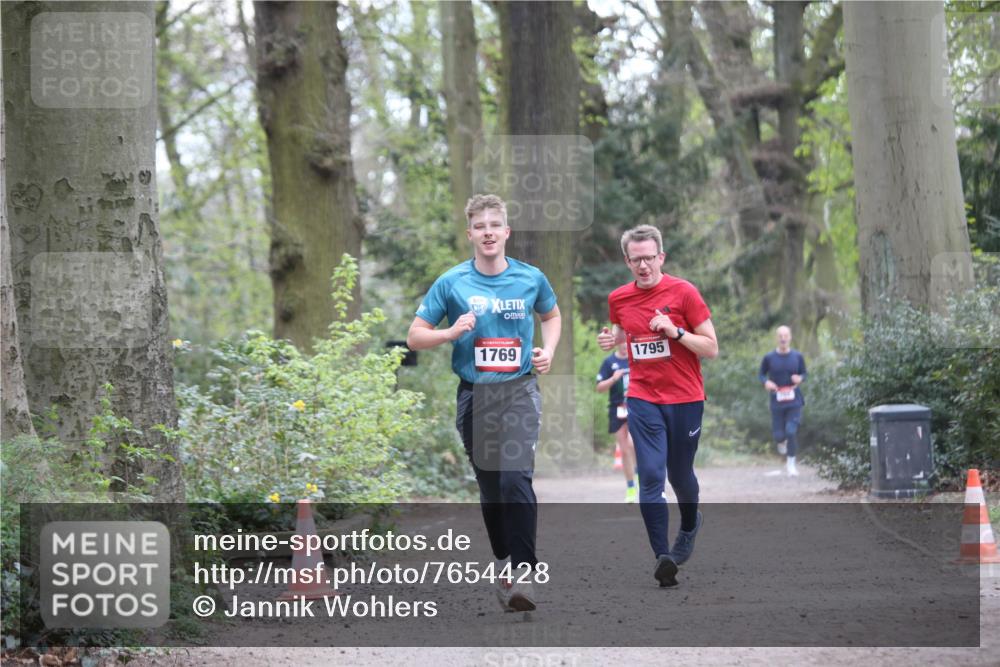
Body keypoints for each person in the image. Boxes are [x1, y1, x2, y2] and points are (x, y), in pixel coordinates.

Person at [406, 194, 560, 612]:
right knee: (492, 489)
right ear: (470, 233)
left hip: (519, 390)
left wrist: (548, 351)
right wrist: (450, 333)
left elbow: (552, 315)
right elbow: (415, 335)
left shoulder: (530, 278)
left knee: (515, 478)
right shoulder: (452, 282)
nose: (488, 232)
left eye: (495, 225)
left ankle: (526, 573)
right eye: (480, 226)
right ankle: (504, 561)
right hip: (475, 396)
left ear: (506, 232)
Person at [597, 224, 718, 587]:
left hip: (685, 398)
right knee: (651, 475)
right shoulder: (618, 298)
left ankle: (691, 521)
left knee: (680, 475)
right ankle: (662, 556)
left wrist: (675, 331)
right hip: (643, 397)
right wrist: (611, 338)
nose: (644, 265)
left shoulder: (684, 293)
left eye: (650, 258)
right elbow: (624, 330)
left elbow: (711, 347)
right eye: (637, 260)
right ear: (627, 261)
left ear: (661, 256)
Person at [759, 325, 807, 477]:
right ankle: (782, 442)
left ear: (790, 337)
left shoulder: (797, 356)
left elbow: (804, 373)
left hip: (794, 400)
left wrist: (800, 378)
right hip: (777, 400)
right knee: (779, 436)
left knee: (791, 431)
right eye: (780, 335)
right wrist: (766, 383)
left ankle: (791, 465)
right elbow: (761, 374)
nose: (783, 338)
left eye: (786, 335)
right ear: (776, 338)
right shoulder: (769, 357)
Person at [596, 342, 638, 502]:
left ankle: (640, 474)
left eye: (625, 342)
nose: (623, 345)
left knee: (635, 444)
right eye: (620, 342)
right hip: (617, 408)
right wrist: (614, 378)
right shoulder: (609, 362)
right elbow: (599, 387)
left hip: (637, 405)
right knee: (624, 448)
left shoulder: (636, 357)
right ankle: (630, 487)